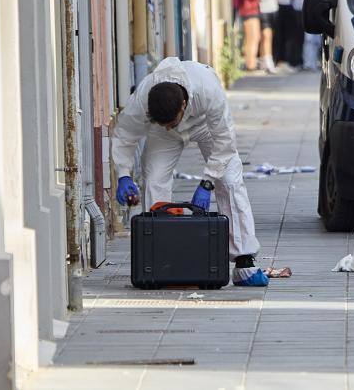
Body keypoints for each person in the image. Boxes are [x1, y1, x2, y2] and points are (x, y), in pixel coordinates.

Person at [111, 57, 269, 287]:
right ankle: (162, 259)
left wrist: (207, 183)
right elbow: (125, 135)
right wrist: (123, 174)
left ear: (183, 105)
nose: (169, 125)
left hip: (205, 124)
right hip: (163, 137)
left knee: (230, 181)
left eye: (171, 121)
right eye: (164, 122)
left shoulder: (208, 89)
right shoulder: (144, 99)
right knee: (154, 179)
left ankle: (244, 262)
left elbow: (225, 141)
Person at [235, 0, 263, 72]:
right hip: (248, 10)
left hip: (253, 9)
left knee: (255, 37)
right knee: (252, 37)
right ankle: (249, 64)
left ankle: (251, 62)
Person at [256, 0, 281, 74]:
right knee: (266, 35)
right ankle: (268, 61)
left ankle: (264, 59)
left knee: (269, 35)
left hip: (273, 8)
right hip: (263, 9)